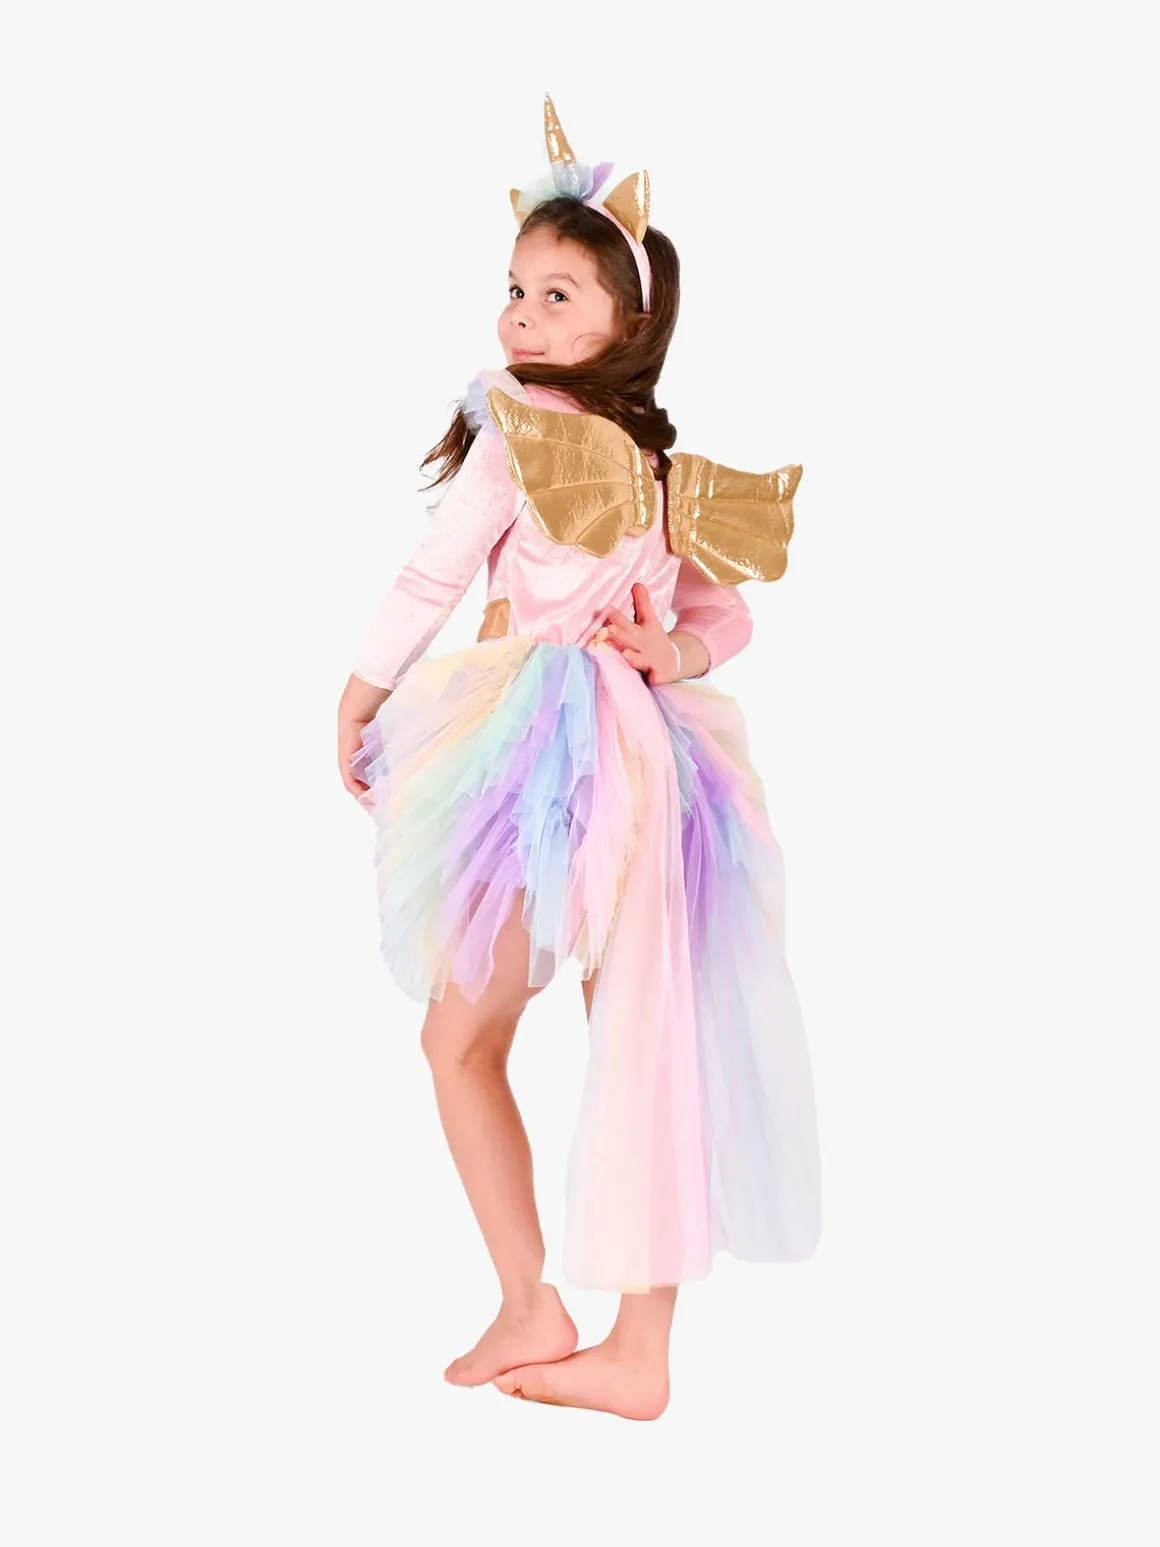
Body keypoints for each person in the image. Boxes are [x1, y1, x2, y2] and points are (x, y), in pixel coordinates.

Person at [337, 95, 821, 1421]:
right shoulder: (654, 465)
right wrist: (676, 650)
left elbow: (436, 571)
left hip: (548, 753)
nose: (524, 317)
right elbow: (724, 616)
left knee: (469, 1036)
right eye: (515, 291)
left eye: (559, 297)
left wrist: (361, 692)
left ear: (628, 324)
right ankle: (618, 1341)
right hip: (642, 764)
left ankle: (542, 1306)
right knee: (635, 1029)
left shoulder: (531, 435)